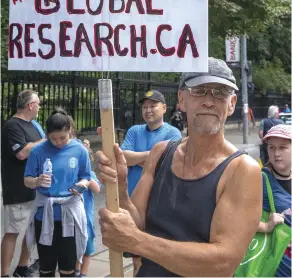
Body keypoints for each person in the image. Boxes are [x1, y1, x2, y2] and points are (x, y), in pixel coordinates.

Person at [97, 58, 262, 277]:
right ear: (182, 99)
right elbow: (135, 224)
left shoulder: (242, 170)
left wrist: (138, 242)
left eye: (220, 93)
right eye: (200, 90)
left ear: (232, 103)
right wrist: (119, 187)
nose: (209, 101)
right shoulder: (160, 153)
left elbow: (221, 264)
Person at [24, 109, 91, 278]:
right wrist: (37, 181)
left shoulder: (79, 150)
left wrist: (80, 186)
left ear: (70, 130)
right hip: (44, 215)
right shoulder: (38, 151)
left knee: (68, 269)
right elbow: (27, 180)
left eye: (63, 137)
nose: (58, 142)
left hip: (70, 214)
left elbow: (86, 177)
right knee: (46, 268)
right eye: (53, 139)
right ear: (47, 135)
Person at [120, 89, 181, 274]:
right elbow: (124, 157)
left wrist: (137, 159)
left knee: (154, 255)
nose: (148, 110)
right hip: (132, 203)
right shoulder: (134, 130)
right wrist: (153, 156)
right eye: (145, 107)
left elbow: (167, 162)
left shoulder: (173, 133)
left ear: (164, 108)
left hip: (158, 204)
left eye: (153, 106)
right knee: (135, 255)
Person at [1, 90, 46, 278]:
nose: (39, 107)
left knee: (31, 230)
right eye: (38, 103)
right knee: (13, 231)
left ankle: (22, 267)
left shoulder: (33, 126)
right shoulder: (12, 125)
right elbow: (21, 153)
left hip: (35, 187)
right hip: (18, 188)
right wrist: (45, 141)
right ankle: (4, 273)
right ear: (30, 105)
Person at [257, 124, 291, 277]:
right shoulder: (260, 179)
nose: (276, 153)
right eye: (272, 148)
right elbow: (234, 219)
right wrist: (265, 226)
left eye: (283, 148)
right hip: (277, 265)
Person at [75, 140, 101, 278]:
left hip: (86, 219)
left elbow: (97, 189)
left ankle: (83, 274)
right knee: (74, 248)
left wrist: (87, 179)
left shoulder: (90, 174)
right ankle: (76, 270)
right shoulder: (70, 174)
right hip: (72, 219)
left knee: (88, 248)